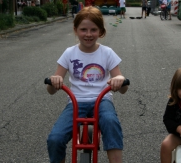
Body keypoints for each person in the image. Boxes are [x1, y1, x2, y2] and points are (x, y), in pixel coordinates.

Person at [46, 6, 129, 163]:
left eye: (93, 30)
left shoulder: (107, 53)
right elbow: (51, 89)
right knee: (55, 138)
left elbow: (123, 87)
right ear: (76, 30)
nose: (88, 34)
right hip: (76, 102)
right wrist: (54, 80)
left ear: (101, 31)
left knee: (111, 123)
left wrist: (120, 80)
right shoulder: (69, 53)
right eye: (83, 29)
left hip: (102, 100)